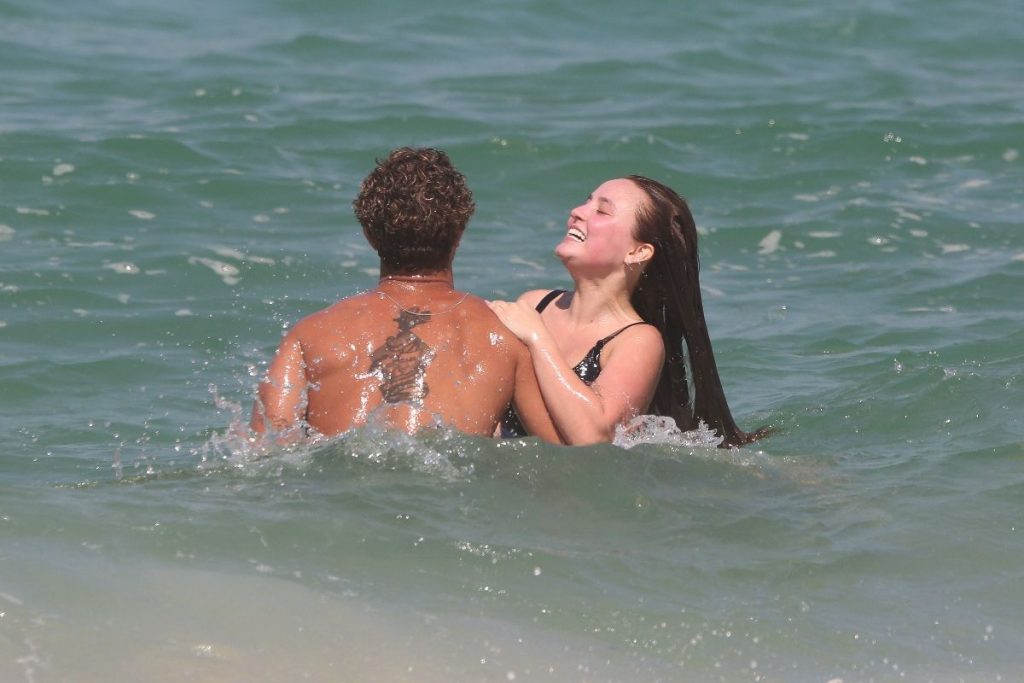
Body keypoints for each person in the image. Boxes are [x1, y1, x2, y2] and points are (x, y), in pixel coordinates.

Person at [251, 147, 560, 443]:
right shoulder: (504, 336)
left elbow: (263, 447)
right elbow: (563, 453)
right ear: (460, 233)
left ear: (369, 236)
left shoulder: (311, 334)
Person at [488, 175, 769, 447]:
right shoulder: (534, 304)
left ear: (638, 252)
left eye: (602, 210)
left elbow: (594, 438)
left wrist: (537, 338)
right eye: (586, 202)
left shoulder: (638, 340)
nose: (577, 212)